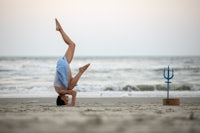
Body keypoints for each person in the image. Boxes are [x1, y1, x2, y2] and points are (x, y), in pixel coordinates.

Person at [53, 18, 90, 106]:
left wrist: (72, 104)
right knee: (72, 45)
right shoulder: (60, 91)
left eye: (66, 101)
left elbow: (73, 93)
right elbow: (72, 92)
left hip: (63, 68)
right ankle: (60, 29)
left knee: (70, 87)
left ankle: (81, 72)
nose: (67, 99)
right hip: (62, 67)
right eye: (68, 101)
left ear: (61, 99)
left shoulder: (61, 91)